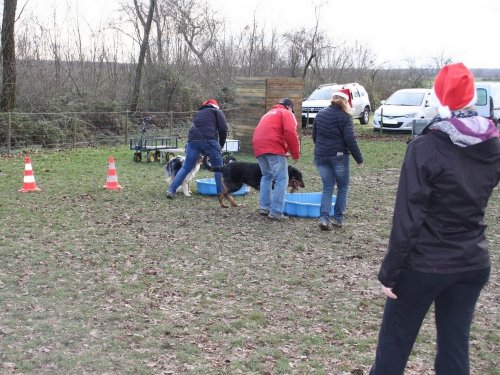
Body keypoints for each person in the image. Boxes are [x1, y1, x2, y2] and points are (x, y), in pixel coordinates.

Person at [370, 62, 500, 375]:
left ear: (439, 98)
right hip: (472, 262)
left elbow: (408, 217)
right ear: (471, 97)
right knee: (455, 350)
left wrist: (390, 273)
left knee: (393, 348)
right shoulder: (493, 143)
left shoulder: (425, 148)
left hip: (424, 266)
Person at [312, 89, 364, 231]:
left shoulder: (320, 114)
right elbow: (350, 139)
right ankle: (338, 219)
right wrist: (359, 158)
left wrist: (321, 149)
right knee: (343, 187)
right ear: (345, 102)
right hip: (339, 156)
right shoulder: (345, 117)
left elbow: (315, 136)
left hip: (321, 155)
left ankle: (324, 218)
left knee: (327, 187)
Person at [166, 99, 227, 199]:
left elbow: (194, 128)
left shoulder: (199, 113)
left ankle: (171, 190)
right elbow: (223, 129)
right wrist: (221, 145)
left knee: (186, 167)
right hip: (210, 140)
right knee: (218, 167)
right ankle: (220, 194)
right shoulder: (217, 112)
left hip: (193, 141)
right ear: (215, 106)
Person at [252, 98, 300, 221]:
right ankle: (276, 211)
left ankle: (264, 207)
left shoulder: (268, 114)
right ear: (289, 107)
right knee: (281, 179)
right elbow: (290, 132)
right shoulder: (286, 113)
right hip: (272, 146)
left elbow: (272, 133)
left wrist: (283, 151)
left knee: (267, 176)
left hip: (258, 146)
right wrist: (295, 153)